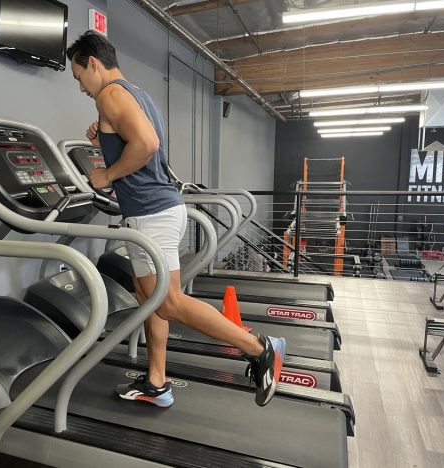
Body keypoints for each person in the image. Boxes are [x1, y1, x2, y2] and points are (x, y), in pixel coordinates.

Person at [66, 31, 286, 408]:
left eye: (79, 77)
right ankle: (156, 381)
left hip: (152, 214)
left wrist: (106, 174)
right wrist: (101, 139)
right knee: (148, 298)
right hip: (158, 209)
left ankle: (259, 347)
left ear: (93, 63)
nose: (81, 87)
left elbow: (147, 146)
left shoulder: (110, 94)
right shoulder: (138, 94)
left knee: (167, 303)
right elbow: (141, 142)